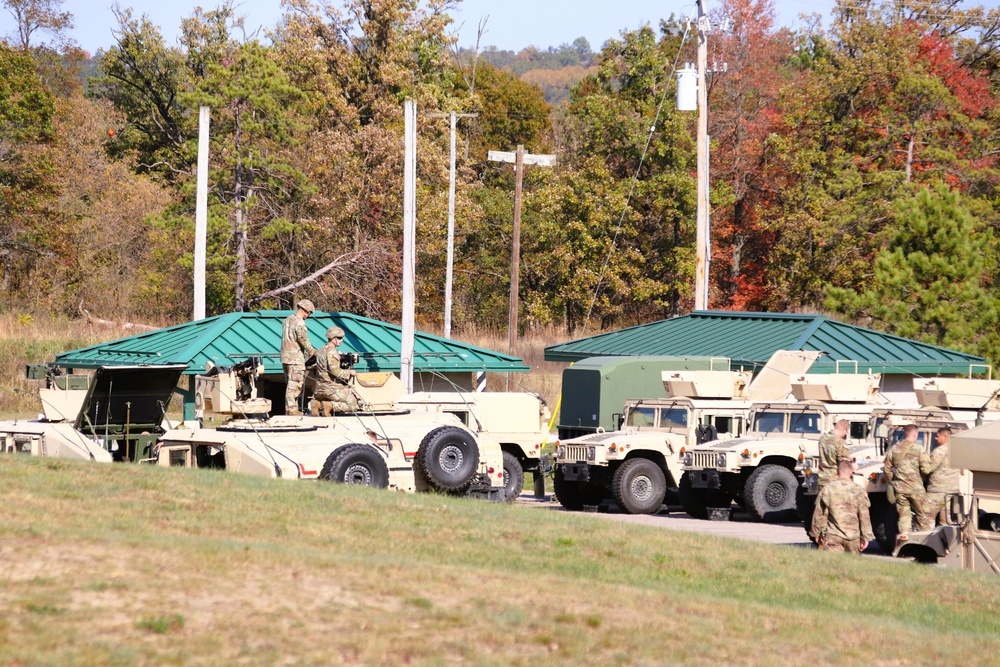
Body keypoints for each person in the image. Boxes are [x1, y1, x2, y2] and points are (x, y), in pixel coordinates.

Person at [810, 459, 874, 554]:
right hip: (853, 538)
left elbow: (818, 513)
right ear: (851, 473)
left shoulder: (827, 489)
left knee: (834, 566)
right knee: (852, 567)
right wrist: (866, 536)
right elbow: (864, 515)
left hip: (833, 535)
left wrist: (816, 533)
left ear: (837, 472)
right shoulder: (859, 490)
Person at [883, 424, 930, 535]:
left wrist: (895, 480)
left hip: (900, 489)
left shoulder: (894, 449)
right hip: (916, 489)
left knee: (904, 517)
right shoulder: (919, 449)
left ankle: (905, 541)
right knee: (923, 516)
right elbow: (926, 470)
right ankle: (924, 542)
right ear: (915, 434)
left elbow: (887, 468)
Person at [280, 299, 318, 415]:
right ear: (305, 310)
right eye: (309, 313)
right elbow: (303, 339)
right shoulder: (299, 322)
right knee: (295, 384)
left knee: (290, 384)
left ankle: (291, 409)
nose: (309, 315)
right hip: (295, 358)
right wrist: (312, 351)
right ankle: (292, 410)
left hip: (285, 357)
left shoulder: (287, 320)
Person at [311, 326, 360, 415]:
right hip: (331, 388)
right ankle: (329, 405)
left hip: (319, 388)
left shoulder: (321, 350)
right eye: (339, 338)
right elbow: (335, 371)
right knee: (354, 404)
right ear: (333, 338)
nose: (341, 340)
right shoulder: (332, 352)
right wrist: (350, 372)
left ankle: (317, 404)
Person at [924, 427, 959, 528]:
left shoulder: (939, 451)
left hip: (937, 491)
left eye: (937, 436)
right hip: (953, 492)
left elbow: (928, 469)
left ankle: (926, 543)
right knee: (947, 523)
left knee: (926, 518)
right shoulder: (958, 450)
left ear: (945, 437)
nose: (935, 438)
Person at [816, 419, 852, 489]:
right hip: (834, 480)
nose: (845, 434)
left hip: (822, 479)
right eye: (846, 432)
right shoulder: (840, 442)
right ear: (844, 429)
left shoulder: (823, 439)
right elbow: (844, 463)